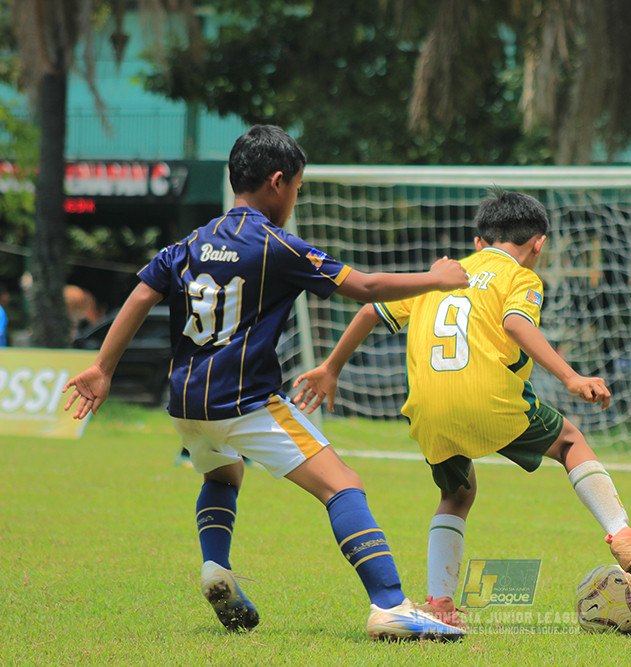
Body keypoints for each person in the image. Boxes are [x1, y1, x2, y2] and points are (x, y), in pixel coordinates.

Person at [62, 125, 469, 641]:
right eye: (297, 187)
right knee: (343, 486)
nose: (295, 199)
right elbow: (364, 287)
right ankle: (390, 605)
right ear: (277, 182)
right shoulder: (279, 245)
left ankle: (216, 568)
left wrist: (103, 367)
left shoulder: (188, 244)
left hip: (187, 405)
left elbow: (142, 294)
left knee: (221, 477)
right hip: (247, 403)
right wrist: (437, 278)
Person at [292, 187, 631, 627]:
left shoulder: (441, 274)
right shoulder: (520, 276)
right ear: (538, 243)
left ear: (479, 241)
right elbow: (515, 322)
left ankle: (440, 604)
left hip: (427, 407)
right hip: (490, 399)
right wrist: (571, 377)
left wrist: (330, 367)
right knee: (570, 441)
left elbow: (369, 311)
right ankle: (623, 535)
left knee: (456, 494)